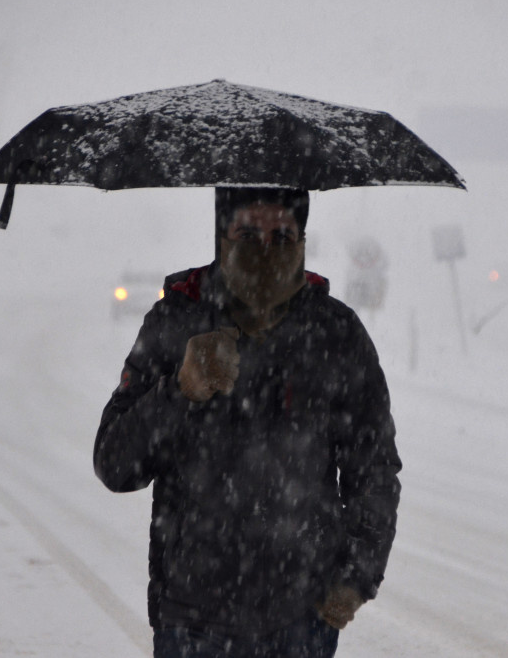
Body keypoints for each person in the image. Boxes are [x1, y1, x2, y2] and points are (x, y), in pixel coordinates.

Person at [93, 187, 401, 658]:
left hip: (302, 619)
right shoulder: (177, 319)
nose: (265, 248)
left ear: (301, 239)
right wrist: (180, 392)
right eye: (248, 233)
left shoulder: (335, 332)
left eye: (282, 235)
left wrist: (356, 577)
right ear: (222, 236)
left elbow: (374, 470)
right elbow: (115, 464)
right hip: (192, 618)